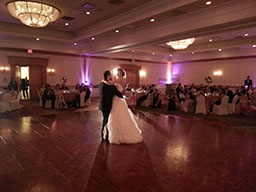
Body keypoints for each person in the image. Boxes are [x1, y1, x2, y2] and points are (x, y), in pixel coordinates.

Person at [104, 68, 143, 144]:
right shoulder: (124, 80)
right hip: (119, 98)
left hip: (117, 99)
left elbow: (110, 83)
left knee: (116, 115)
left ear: (121, 73)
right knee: (121, 115)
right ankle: (120, 133)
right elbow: (122, 90)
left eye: (118, 72)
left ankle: (119, 135)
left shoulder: (119, 79)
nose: (117, 73)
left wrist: (106, 79)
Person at [99, 70, 124, 142]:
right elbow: (117, 93)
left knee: (105, 119)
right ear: (108, 76)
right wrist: (122, 96)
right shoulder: (110, 86)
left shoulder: (101, 84)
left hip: (102, 104)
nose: (112, 76)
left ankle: (102, 132)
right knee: (107, 119)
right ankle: (106, 135)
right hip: (108, 104)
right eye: (111, 75)